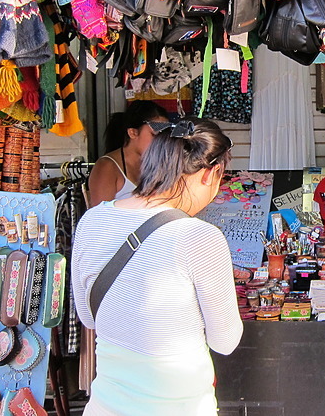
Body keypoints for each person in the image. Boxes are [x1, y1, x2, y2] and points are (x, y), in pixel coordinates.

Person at [72, 117, 242, 415]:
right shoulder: (199, 236)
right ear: (210, 174)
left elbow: (89, 317)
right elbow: (225, 341)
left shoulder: (92, 220)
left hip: (104, 407)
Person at [88, 100, 169, 206]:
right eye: (154, 135)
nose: (160, 142)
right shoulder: (107, 167)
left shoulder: (161, 165)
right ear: (133, 133)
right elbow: (100, 216)